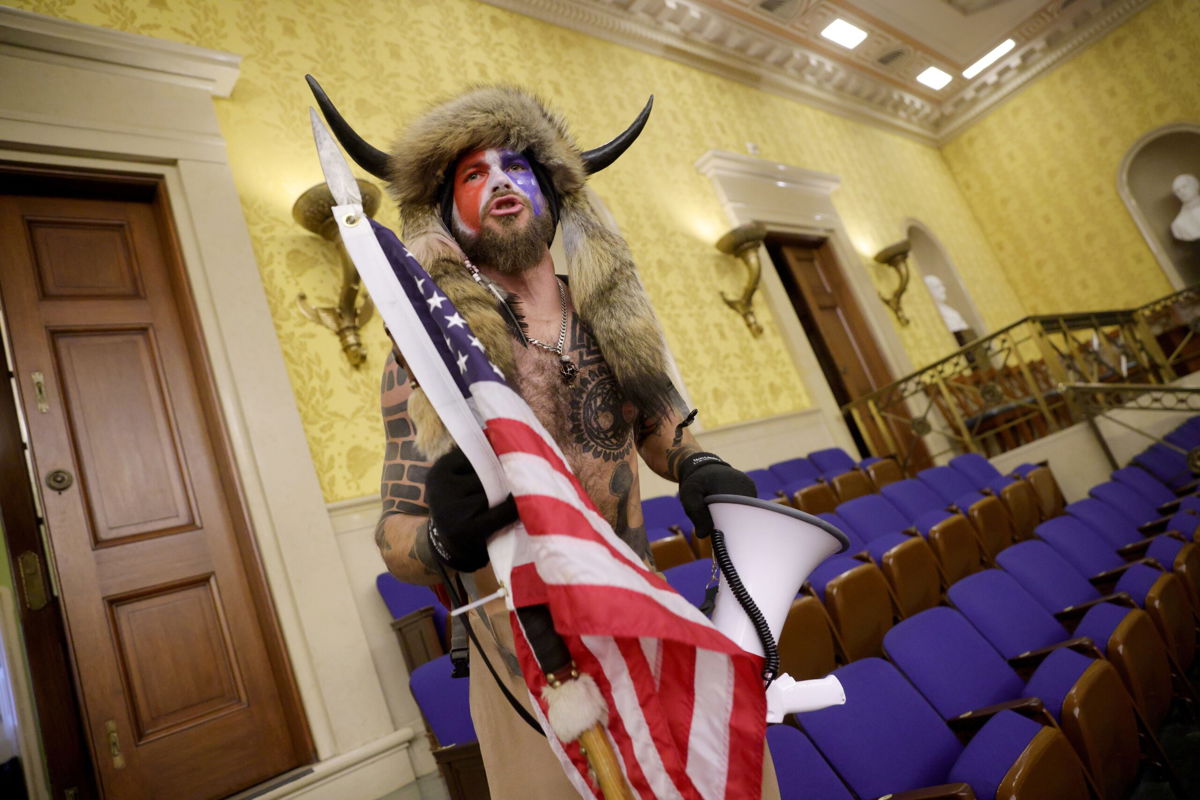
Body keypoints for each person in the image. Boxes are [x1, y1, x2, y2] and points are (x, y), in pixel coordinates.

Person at [308, 81, 779, 798]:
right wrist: (441, 542)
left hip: (640, 621)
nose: (499, 179)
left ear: (552, 196)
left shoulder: (612, 320)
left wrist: (701, 466)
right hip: (525, 667)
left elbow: (667, 436)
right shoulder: (429, 356)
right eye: (473, 173)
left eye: (516, 165)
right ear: (446, 211)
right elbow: (392, 536)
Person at [1170, 173, 1200, 242]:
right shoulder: (1179, 224)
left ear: (1195, 185)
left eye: (1184, 187)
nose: (1181, 192)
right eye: (1177, 191)